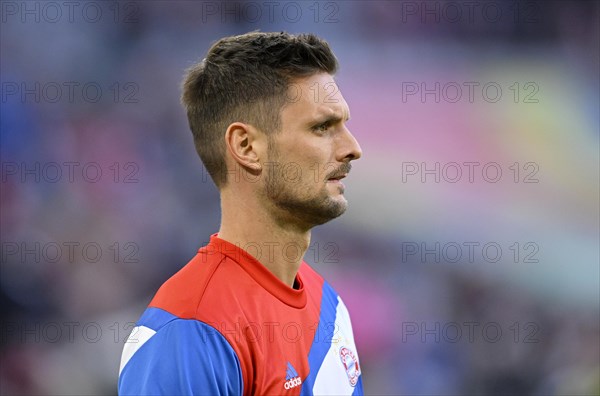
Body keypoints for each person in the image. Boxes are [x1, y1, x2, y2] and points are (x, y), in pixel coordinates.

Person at [118, 31, 363, 395]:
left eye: (344, 125)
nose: (352, 148)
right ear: (247, 147)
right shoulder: (192, 330)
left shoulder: (329, 304)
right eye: (322, 127)